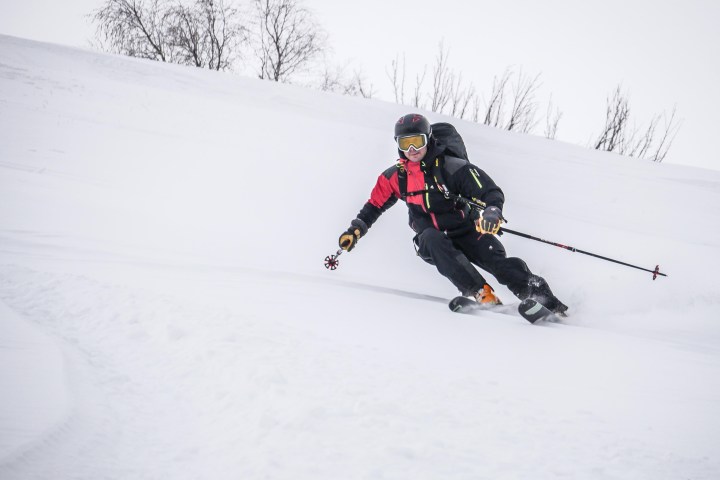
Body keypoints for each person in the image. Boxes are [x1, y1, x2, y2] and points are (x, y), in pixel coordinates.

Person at [338, 113, 568, 314]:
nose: (412, 150)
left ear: (428, 139)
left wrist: (492, 212)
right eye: (405, 143)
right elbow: (374, 205)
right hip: (432, 240)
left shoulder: (452, 167)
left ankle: (547, 303)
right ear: (397, 144)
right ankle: (481, 293)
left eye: (417, 142)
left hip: (467, 230)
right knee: (430, 237)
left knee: (501, 264)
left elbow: (489, 191)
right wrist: (355, 231)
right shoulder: (394, 178)